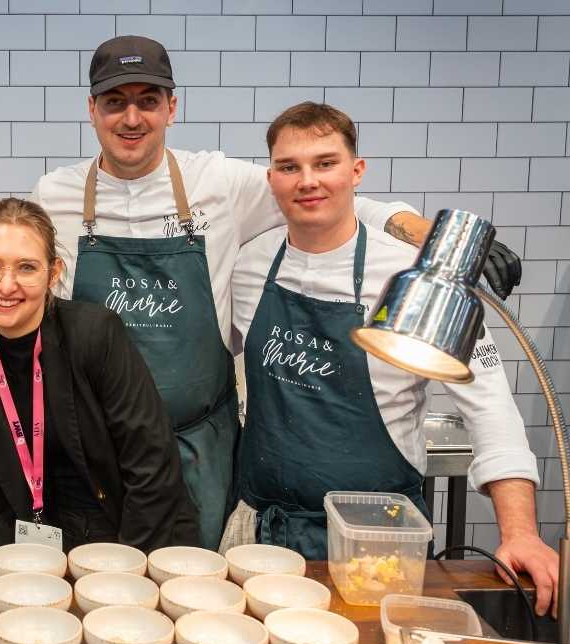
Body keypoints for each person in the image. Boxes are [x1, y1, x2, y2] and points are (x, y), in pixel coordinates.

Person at [29, 34, 519, 551]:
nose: (132, 118)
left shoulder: (219, 181)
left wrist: (430, 234)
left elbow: (323, 196)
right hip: (94, 450)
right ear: (91, 109)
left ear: (172, 108)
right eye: (114, 102)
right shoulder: (53, 195)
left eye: (148, 101)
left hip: (198, 449)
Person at [228, 101, 558, 614]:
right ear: (271, 179)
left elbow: (491, 408)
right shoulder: (249, 264)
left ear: (356, 171)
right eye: (290, 167)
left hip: (378, 541)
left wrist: (521, 533)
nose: (308, 180)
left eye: (325, 163)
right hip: (263, 534)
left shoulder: (414, 281)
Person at [0, 198, 199, 552]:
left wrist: (126, 565)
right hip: (34, 547)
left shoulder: (95, 333)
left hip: (130, 531)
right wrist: (15, 564)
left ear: (53, 273)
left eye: (26, 268)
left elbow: (152, 464)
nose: (6, 285)